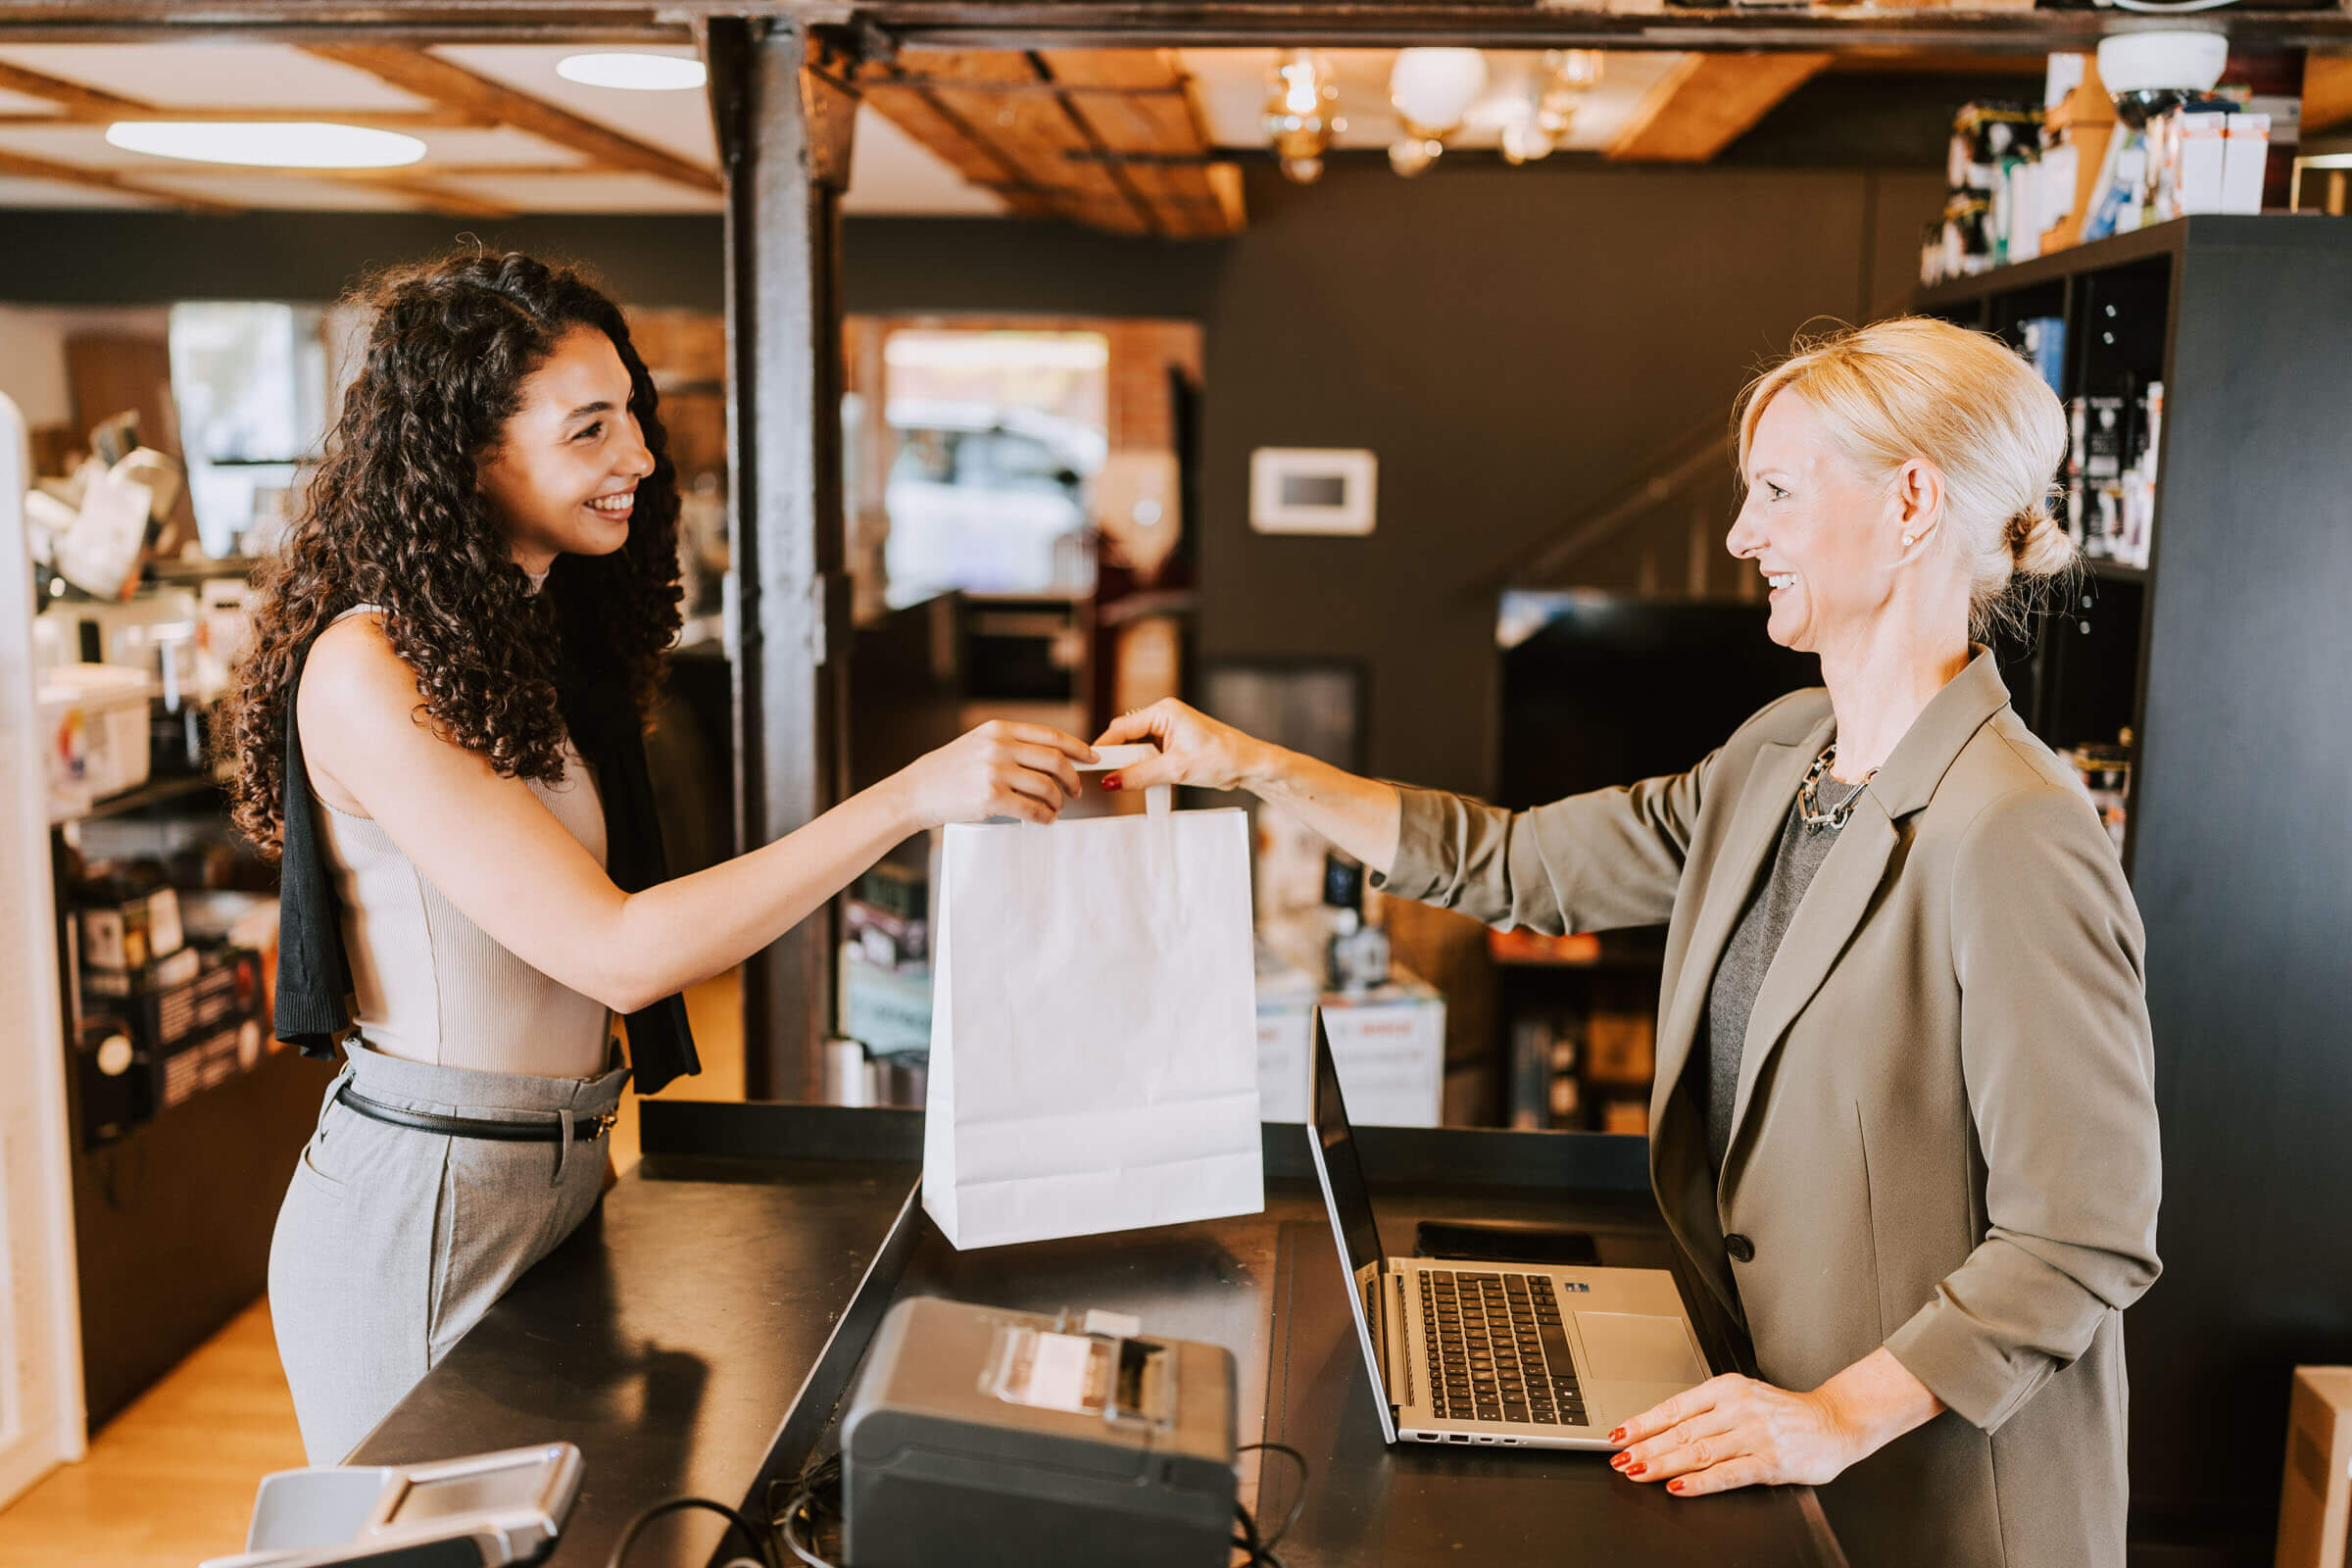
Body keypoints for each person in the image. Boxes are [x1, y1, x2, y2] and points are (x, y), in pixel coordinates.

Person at [1094, 317, 2161, 1568]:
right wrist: (1244, 763)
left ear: (1913, 500)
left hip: (1925, 1499)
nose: (1741, 534)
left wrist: (1831, 1416)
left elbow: (2082, 1234)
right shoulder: (1782, 753)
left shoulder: (2016, 831)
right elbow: (1516, 867)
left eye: (1775, 491)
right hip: (1765, 1429)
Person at [224, 251, 1095, 1463]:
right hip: (431, 1209)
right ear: (468, 454)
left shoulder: (515, 646)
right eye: (590, 429)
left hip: (563, 1164)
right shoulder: (374, 672)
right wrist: (910, 795)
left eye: (629, 414)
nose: (636, 454)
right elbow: (616, 950)